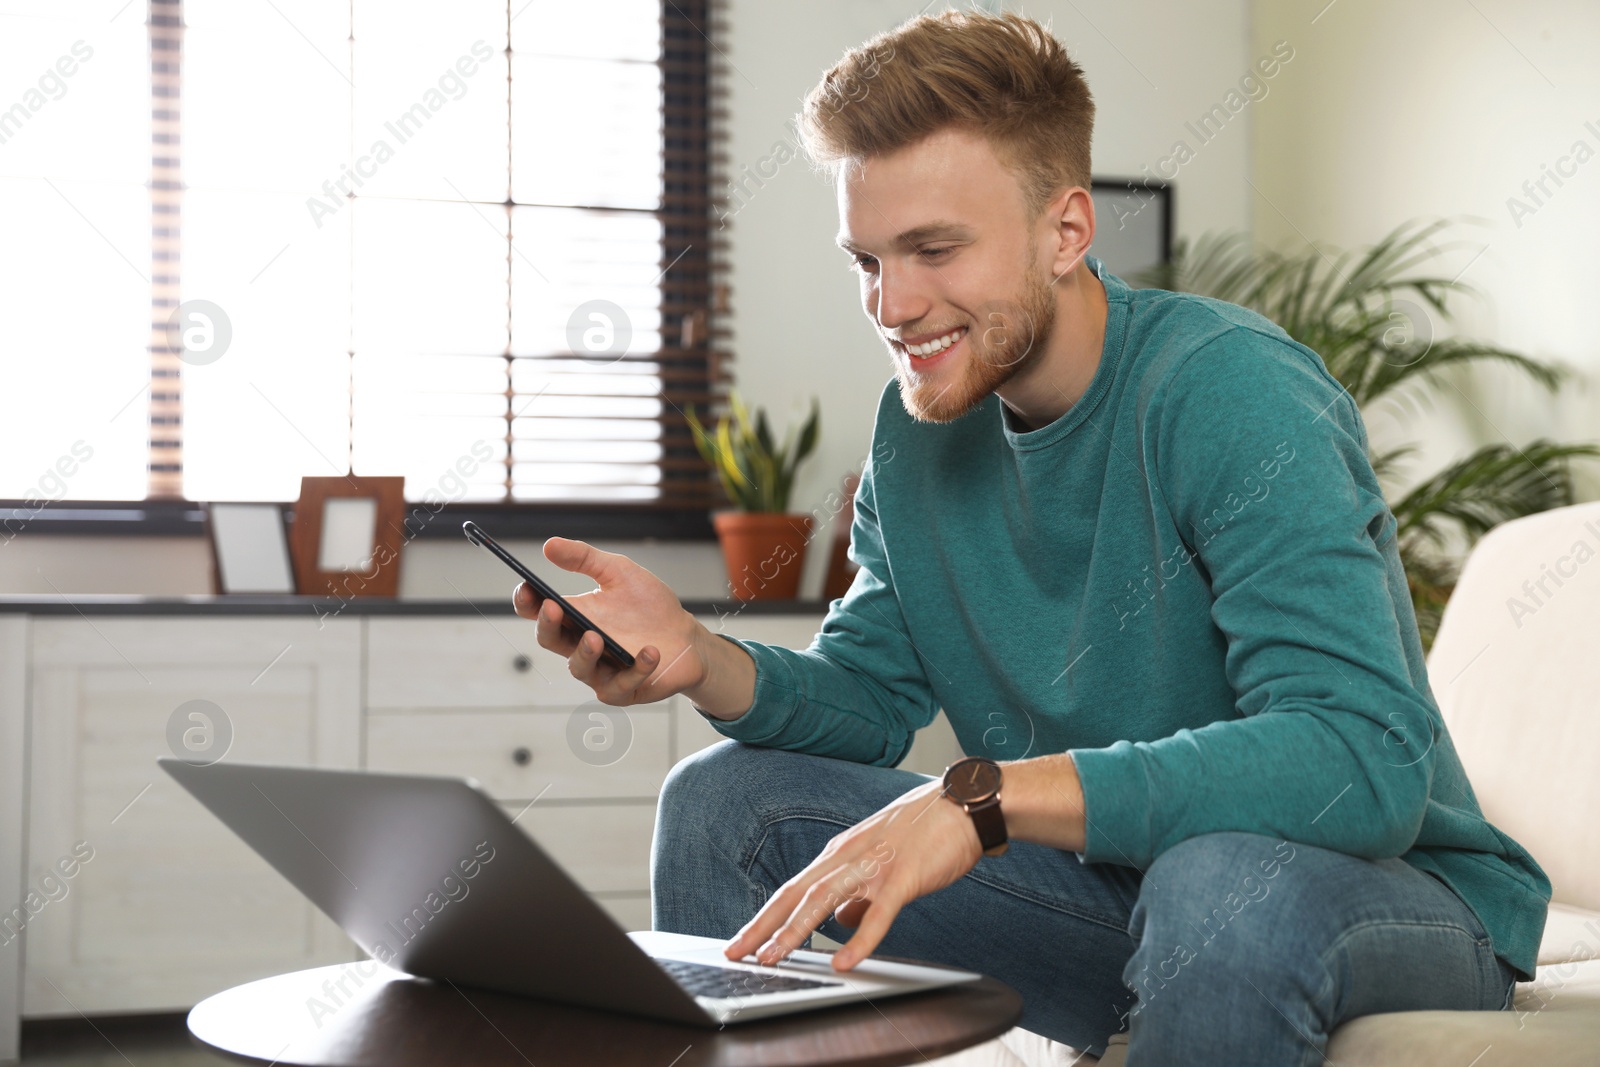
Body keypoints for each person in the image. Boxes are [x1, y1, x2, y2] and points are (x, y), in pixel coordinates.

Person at [512, 11, 1548, 1063]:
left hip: (1388, 897)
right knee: (722, 799)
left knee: (1220, 878)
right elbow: (869, 698)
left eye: (933, 250)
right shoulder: (914, 432)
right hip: (1127, 892)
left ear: (1065, 232)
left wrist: (984, 798)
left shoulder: (1230, 391)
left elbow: (1358, 759)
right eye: (866, 258)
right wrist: (701, 656)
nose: (893, 304)